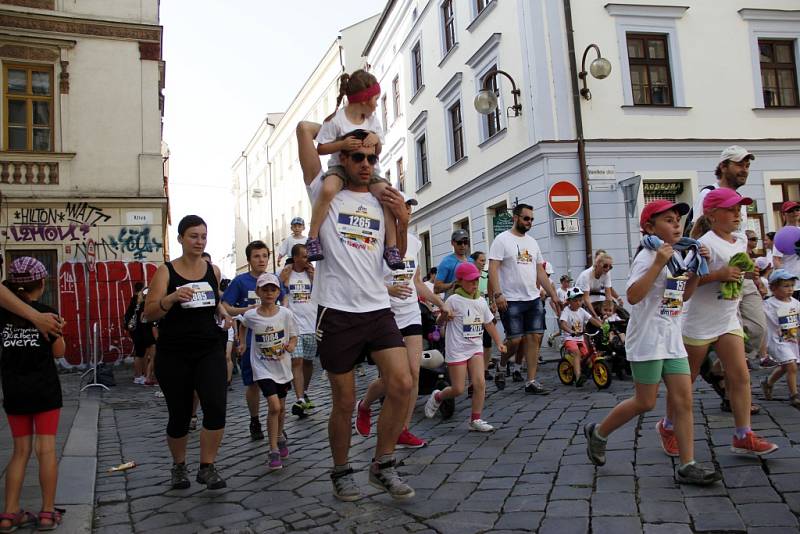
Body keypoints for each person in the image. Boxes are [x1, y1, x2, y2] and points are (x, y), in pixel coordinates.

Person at [297, 120, 414, 501]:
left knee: (403, 383)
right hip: (336, 310)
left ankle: (383, 463)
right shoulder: (323, 190)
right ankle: (341, 470)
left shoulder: (381, 199)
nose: (367, 164)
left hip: (377, 308)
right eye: (359, 157)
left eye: (373, 158)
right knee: (344, 402)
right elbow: (302, 131)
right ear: (344, 159)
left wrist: (405, 221)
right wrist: (337, 138)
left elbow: (395, 258)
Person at [585, 200, 721, 485]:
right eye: (669, 220)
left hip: (671, 338)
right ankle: (598, 432)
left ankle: (688, 464)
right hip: (647, 339)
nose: (677, 224)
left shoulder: (682, 255)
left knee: (684, 400)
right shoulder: (648, 256)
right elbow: (633, 296)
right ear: (649, 227)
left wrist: (696, 271)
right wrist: (658, 262)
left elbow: (683, 297)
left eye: (678, 220)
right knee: (645, 402)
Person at [667, 189, 777, 456]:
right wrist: (719, 274)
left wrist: (749, 272)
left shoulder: (739, 240)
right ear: (712, 215)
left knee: (740, 376)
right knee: (686, 381)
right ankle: (669, 426)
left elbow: (741, 265)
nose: (737, 214)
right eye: (731, 209)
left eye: (739, 209)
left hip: (727, 318)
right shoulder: (703, 245)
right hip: (698, 322)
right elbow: (686, 284)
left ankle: (743, 434)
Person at [144, 215, 233, 489]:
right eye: (193, 236)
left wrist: (223, 312)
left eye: (203, 236)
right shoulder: (166, 271)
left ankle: (207, 466)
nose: (199, 241)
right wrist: (170, 298)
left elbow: (213, 298)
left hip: (209, 349)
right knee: (180, 415)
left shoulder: (213, 270)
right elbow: (149, 313)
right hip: (174, 353)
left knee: (216, 407)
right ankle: (179, 465)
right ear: (181, 238)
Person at [356, 194, 451, 449]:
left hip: (410, 313)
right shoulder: (376, 240)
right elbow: (365, 281)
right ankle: (364, 405)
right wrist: (390, 290)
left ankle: (403, 429)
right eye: (403, 206)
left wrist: (439, 302)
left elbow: (416, 281)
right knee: (392, 378)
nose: (407, 211)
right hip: (384, 314)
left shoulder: (414, 242)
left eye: (410, 207)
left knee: (413, 374)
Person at [306, 70, 402, 269]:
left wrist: (375, 140)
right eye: (376, 99)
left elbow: (378, 149)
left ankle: (391, 247)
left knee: (388, 196)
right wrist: (342, 145)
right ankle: (313, 237)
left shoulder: (373, 121)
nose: (377, 104)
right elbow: (321, 148)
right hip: (339, 168)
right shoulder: (337, 120)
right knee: (327, 190)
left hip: (371, 171)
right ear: (365, 100)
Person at [0, 258, 66, 531]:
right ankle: (48, 512)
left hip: (14, 390)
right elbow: (59, 352)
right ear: (42, 283)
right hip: (44, 391)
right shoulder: (46, 313)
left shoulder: (3, 313)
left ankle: (9, 514)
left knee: (20, 451)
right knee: (46, 449)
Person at [691, 146, 766, 366]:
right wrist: (714, 268)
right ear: (723, 166)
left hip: (741, 272)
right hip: (718, 273)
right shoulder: (709, 194)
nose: (745, 169)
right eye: (739, 164)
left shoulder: (740, 199)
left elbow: (739, 237)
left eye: (747, 165)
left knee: (757, 328)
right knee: (734, 334)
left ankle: (718, 367)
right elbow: (699, 231)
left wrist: (749, 265)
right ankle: (733, 385)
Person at [488, 203, 561, 394]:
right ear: (516, 218)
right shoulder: (501, 240)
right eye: (526, 218)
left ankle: (531, 381)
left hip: (533, 298)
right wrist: (497, 295)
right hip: (510, 299)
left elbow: (540, 272)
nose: (530, 222)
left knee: (534, 338)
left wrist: (553, 294)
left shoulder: (533, 242)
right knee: (514, 341)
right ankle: (502, 364)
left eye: (532, 219)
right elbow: (493, 270)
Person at [424, 262, 506, 431]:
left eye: (476, 280)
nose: (474, 284)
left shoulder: (481, 301)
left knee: (480, 383)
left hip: (475, 347)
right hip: (457, 349)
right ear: (460, 281)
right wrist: (445, 316)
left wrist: (499, 342)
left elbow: (489, 323)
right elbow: (439, 322)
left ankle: (475, 419)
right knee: (458, 388)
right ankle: (438, 396)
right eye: (470, 281)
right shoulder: (453, 300)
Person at [237, 273, 298, 470]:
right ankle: (272, 450)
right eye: (265, 289)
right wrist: (243, 344)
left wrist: (290, 346)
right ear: (258, 292)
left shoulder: (285, 314)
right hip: (262, 368)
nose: (269, 293)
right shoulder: (252, 314)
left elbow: (294, 335)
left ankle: (279, 435)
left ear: (279, 292)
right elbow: (243, 326)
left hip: (282, 367)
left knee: (281, 407)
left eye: (273, 289)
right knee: (273, 406)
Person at [221, 240, 272, 441]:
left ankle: (276, 422)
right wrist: (246, 311)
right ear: (249, 260)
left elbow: (284, 301)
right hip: (249, 342)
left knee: (275, 385)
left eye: (264, 256)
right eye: (256, 256)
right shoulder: (240, 282)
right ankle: (254, 419)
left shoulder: (273, 279)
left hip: (272, 340)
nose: (261, 260)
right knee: (253, 385)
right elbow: (225, 306)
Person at [279, 243, 317, 417]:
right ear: (295, 257)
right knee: (297, 361)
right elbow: (281, 299)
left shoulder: (313, 273)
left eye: (308, 256)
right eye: (303, 256)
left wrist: (314, 279)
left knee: (308, 362)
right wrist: (284, 283)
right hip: (294, 326)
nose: (307, 259)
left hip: (311, 323)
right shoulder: (286, 274)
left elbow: (322, 294)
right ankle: (300, 398)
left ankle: (304, 391)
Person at [761, 269, 800, 407]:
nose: (790, 289)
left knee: (786, 367)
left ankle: (768, 383)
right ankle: (794, 395)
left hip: (792, 340)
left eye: (791, 285)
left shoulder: (795, 302)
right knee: (791, 366)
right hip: (777, 341)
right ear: (773, 288)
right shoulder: (768, 304)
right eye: (785, 286)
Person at [559, 288, 603, 386]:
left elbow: (591, 319)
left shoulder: (582, 310)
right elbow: (563, 324)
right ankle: (578, 377)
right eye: (575, 301)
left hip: (580, 338)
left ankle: (587, 371)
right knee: (576, 353)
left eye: (580, 300)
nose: (578, 303)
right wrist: (571, 331)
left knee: (587, 357)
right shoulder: (566, 311)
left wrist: (602, 326)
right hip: (569, 338)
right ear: (569, 301)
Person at [470, 251, 496, 379]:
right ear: (474, 261)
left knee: (487, 342)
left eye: (484, 260)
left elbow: (491, 292)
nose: (483, 262)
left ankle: (485, 369)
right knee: (474, 342)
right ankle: (475, 370)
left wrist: (492, 303)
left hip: (486, 312)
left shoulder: (486, 276)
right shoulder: (470, 277)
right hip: (472, 314)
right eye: (481, 260)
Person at [575, 253, 622, 318]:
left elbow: (608, 294)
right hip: (581, 298)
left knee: (615, 310)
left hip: (596, 297)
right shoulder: (586, 275)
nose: (608, 268)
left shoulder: (607, 273)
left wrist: (610, 311)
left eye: (610, 267)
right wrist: (595, 316)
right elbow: (586, 299)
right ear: (597, 264)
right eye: (605, 266)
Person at [772, 201, 800, 300]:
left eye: (797, 209)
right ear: (784, 214)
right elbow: (776, 259)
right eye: (790, 211)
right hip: (792, 286)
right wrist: (785, 280)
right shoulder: (782, 234)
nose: (795, 212)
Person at [433, 229, 470, 295]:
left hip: (470, 302)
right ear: (452, 243)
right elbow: (436, 288)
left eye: (465, 242)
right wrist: (452, 284)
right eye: (459, 242)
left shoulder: (472, 261)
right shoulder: (446, 262)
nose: (463, 245)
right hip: (452, 303)